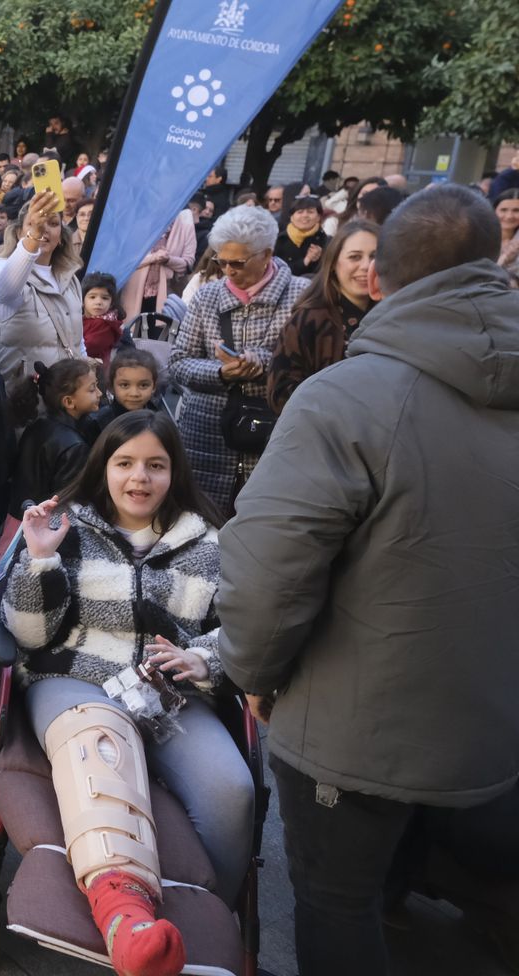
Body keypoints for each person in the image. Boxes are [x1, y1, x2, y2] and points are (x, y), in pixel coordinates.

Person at [217, 186, 519, 976]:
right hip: (492, 716)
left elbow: (267, 566)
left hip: (357, 731)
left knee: (336, 903)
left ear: (379, 277)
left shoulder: (349, 397)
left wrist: (253, 671)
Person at [6, 410, 251, 976]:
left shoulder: (210, 543)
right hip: (73, 678)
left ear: (174, 473)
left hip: (170, 695)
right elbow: (28, 634)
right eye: (125, 463)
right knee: (104, 741)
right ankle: (125, 918)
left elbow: (238, 630)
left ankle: (209, 925)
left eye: (155, 465)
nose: (139, 477)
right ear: (104, 468)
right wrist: (41, 559)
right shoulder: (66, 526)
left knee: (233, 790)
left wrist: (202, 658)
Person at [167, 205, 307, 513]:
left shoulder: (302, 296)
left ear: (267, 255)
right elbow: (177, 362)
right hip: (205, 434)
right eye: (221, 260)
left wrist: (264, 363)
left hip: (274, 432)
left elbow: (313, 367)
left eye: (238, 263)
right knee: (202, 525)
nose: (228, 270)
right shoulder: (207, 296)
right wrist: (221, 372)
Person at [267, 220, 378, 414]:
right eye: (354, 257)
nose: (366, 266)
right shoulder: (309, 320)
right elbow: (280, 393)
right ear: (334, 262)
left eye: (375, 257)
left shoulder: (397, 315)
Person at [0, 190, 85, 381]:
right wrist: (34, 237)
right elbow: (5, 292)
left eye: (53, 224)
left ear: (62, 236)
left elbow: (76, 341)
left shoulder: (70, 278)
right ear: (17, 232)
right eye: (33, 223)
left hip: (63, 398)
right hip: (18, 399)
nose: (43, 229)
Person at [9, 358, 100, 513]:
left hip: (22, 514)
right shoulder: (75, 447)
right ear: (69, 402)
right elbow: (68, 501)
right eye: (92, 389)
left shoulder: (38, 424)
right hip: (47, 521)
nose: (100, 393)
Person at [92, 346, 165, 432]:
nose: (134, 393)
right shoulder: (99, 423)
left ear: (154, 386)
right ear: (112, 386)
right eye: (125, 385)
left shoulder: (159, 420)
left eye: (143, 385)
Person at [272, 194, 328, 277]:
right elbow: (276, 270)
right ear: (291, 217)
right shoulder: (280, 240)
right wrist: (306, 261)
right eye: (300, 212)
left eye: (310, 212)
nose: (305, 215)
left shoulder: (325, 240)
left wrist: (321, 258)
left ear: (318, 217)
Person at [81, 272, 124, 367]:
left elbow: (90, 347)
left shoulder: (107, 325)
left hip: (97, 372)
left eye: (105, 298)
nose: (98, 302)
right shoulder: (81, 319)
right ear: (82, 300)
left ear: (111, 303)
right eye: (92, 297)